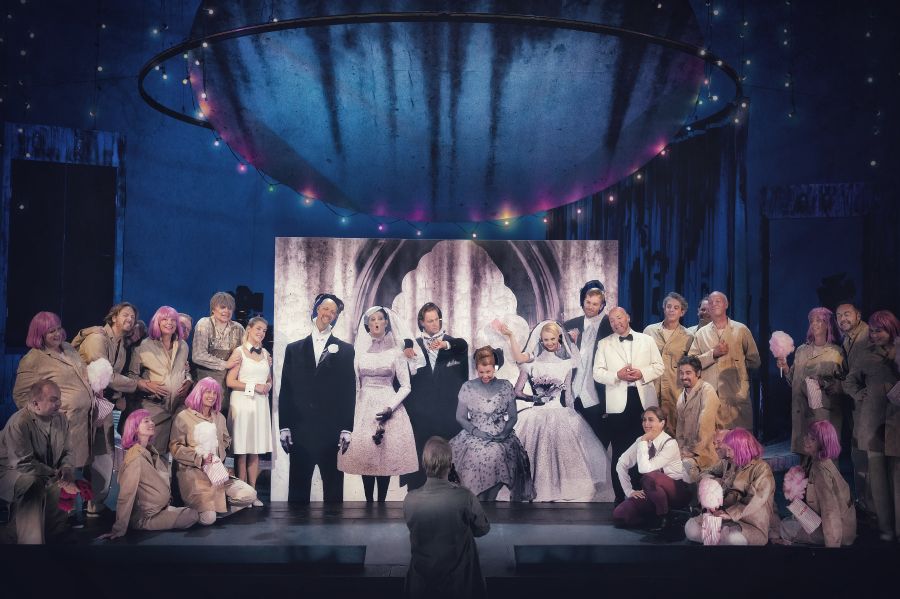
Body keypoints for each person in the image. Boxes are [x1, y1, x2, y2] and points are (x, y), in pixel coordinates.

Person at [507, 320, 614, 502]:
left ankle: (561, 489)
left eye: (552, 339)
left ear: (559, 338)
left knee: (564, 455)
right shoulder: (530, 364)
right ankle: (535, 488)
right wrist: (534, 399)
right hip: (537, 414)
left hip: (559, 412)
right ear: (540, 340)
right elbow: (517, 391)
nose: (549, 343)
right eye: (545, 339)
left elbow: (569, 395)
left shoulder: (566, 364)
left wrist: (573, 416)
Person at [279, 293, 356, 503]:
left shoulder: (346, 350)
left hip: (331, 431)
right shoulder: (293, 349)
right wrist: (284, 426)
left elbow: (348, 391)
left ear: (336, 317)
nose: (328, 314)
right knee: (297, 495)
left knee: (333, 493)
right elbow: (286, 389)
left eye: (333, 312)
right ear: (317, 310)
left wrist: (347, 428)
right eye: (325, 309)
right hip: (300, 430)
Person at [338, 306, 418, 502]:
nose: (376, 322)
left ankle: (381, 501)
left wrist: (391, 407)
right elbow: (355, 384)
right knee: (366, 452)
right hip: (364, 405)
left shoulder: (396, 353)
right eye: (372, 319)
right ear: (367, 325)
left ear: (386, 322)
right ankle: (368, 501)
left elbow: (406, 386)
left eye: (380, 318)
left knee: (384, 453)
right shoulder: (359, 353)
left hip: (388, 405)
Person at [70, 301, 139, 514]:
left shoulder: (121, 345)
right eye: (125, 315)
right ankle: (68, 509)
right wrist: (136, 385)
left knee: (103, 455)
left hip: (102, 405)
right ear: (114, 317)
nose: (129, 319)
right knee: (77, 456)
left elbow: (111, 379)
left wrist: (119, 395)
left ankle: (95, 504)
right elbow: (104, 374)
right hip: (84, 406)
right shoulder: (98, 338)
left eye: (133, 317)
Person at [403, 436, 490, 599]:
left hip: (420, 585)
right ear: (450, 464)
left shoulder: (410, 499)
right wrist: (461, 489)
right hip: (459, 585)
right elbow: (482, 529)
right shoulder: (464, 496)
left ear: (424, 463)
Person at [593, 307, 665, 503]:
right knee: (620, 450)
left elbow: (659, 367)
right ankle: (621, 497)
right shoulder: (604, 344)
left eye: (619, 318)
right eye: (612, 321)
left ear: (628, 318)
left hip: (644, 403)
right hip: (618, 404)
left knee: (646, 449)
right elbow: (597, 373)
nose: (616, 323)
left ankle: (647, 495)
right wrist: (617, 375)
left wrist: (642, 373)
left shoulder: (646, 340)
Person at [448, 346, 534, 502]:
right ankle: (478, 501)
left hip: (502, 435)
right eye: (481, 372)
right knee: (476, 455)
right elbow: (460, 417)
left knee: (497, 454)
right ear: (476, 368)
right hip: (474, 434)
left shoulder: (506, 386)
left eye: (488, 372)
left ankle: (489, 500)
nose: (485, 376)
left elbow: (513, 416)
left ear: (495, 368)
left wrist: (504, 433)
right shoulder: (467, 387)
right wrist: (477, 432)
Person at [98, 409, 199, 539]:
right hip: (145, 517)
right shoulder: (135, 458)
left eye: (151, 420)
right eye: (146, 421)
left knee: (194, 513)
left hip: (160, 509)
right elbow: (126, 494)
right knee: (192, 516)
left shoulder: (150, 451)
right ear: (135, 428)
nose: (152, 423)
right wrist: (119, 528)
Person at [844, 309, 900, 541]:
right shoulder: (865, 354)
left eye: (880, 331)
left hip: (896, 423)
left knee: (897, 477)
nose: (875, 335)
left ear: (891, 329)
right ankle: (886, 529)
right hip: (872, 423)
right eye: (873, 331)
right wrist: (860, 395)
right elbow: (849, 382)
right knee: (877, 479)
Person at [13, 312, 94, 472]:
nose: (58, 333)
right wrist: (46, 416)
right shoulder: (33, 359)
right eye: (51, 331)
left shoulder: (68, 348)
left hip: (83, 424)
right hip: (60, 429)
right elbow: (21, 396)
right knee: (60, 477)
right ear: (40, 334)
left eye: (59, 328)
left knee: (77, 475)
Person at [170, 378, 257, 524]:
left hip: (218, 474)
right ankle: (203, 509)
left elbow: (226, 441)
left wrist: (225, 464)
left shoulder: (219, 417)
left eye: (215, 393)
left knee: (249, 495)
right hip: (195, 476)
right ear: (199, 393)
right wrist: (199, 458)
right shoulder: (183, 417)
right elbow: (175, 447)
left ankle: (216, 509)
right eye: (207, 392)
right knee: (207, 519)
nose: (211, 396)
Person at [401, 302, 468, 490]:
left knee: (447, 463)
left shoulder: (453, 344)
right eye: (430, 321)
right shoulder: (412, 346)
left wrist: (446, 345)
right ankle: (416, 497)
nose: (435, 324)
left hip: (447, 415)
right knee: (419, 463)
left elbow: (463, 346)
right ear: (422, 322)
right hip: (420, 416)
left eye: (437, 319)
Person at [0, 380, 73, 544]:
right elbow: (23, 464)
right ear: (35, 404)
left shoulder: (61, 419)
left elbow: (68, 450)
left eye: (59, 399)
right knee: (31, 483)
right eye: (53, 400)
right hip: (9, 471)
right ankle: (31, 545)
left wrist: (66, 468)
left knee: (60, 482)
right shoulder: (19, 423)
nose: (59, 404)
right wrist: (54, 473)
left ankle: (54, 535)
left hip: (42, 470)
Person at [684, 428, 775, 546]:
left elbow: (756, 499)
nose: (726, 454)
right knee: (691, 528)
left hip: (749, 524)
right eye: (726, 449)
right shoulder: (728, 462)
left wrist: (730, 514)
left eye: (729, 449)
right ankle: (717, 537)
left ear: (741, 448)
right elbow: (705, 473)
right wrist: (713, 484)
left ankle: (717, 539)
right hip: (723, 518)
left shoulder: (761, 469)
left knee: (731, 539)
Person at [688, 291, 761, 431]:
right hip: (711, 395)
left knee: (739, 438)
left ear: (726, 304)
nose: (714, 304)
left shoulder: (741, 330)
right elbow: (692, 363)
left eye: (718, 301)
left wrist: (738, 368)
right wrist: (713, 354)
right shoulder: (701, 334)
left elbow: (754, 361)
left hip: (736, 396)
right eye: (711, 302)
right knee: (712, 438)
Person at [776, 307, 845, 454]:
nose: (814, 324)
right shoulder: (801, 350)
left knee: (825, 457)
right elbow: (793, 381)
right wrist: (785, 367)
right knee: (805, 458)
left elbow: (843, 384)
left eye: (819, 320)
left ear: (828, 324)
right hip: (801, 415)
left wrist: (823, 383)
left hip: (823, 416)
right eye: (812, 321)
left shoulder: (836, 352)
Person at [779, 420, 856, 547]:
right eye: (807, 435)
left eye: (813, 439)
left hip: (837, 533)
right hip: (829, 525)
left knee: (783, 527)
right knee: (788, 522)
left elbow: (830, 512)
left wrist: (832, 548)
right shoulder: (816, 460)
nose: (806, 440)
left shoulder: (821, 471)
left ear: (823, 443)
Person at [127, 306, 193, 454]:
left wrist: (188, 381)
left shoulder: (183, 346)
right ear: (157, 322)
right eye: (164, 319)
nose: (169, 323)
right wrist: (146, 384)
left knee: (168, 456)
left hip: (176, 408)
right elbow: (131, 376)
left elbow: (186, 370)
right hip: (154, 408)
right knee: (149, 453)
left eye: (173, 320)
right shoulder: (143, 346)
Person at [612, 407, 689, 531]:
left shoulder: (670, 443)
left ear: (662, 423)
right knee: (620, 515)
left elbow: (645, 470)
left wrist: (643, 442)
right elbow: (621, 463)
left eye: (651, 420)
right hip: (653, 492)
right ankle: (655, 517)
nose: (646, 423)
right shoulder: (641, 440)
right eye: (644, 420)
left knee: (649, 477)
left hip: (676, 492)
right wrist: (629, 491)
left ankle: (664, 518)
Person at [225, 316, 273, 501]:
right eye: (258, 329)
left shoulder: (266, 353)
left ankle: (253, 494)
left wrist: (268, 385)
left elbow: (268, 379)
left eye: (264, 330)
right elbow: (230, 381)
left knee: (255, 449)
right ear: (249, 329)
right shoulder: (239, 352)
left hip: (260, 404)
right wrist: (255, 387)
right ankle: (242, 494)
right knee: (242, 450)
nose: (261, 333)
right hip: (242, 403)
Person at [563, 280, 613, 445]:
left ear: (602, 305)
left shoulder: (611, 325)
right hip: (572, 396)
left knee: (599, 444)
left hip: (598, 398)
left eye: (595, 304)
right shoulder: (569, 325)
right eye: (588, 302)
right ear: (583, 301)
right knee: (572, 445)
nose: (590, 307)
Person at [643, 292, 694, 434]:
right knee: (651, 424)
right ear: (664, 308)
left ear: (682, 312)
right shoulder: (650, 331)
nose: (672, 310)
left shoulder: (688, 336)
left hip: (675, 387)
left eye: (676, 308)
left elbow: (692, 365)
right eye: (669, 306)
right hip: (652, 385)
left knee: (674, 426)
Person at [192, 292, 244, 416]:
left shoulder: (238, 328)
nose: (226, 311)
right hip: (206, 385)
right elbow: (198, 355)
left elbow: (247, 350)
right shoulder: (204, 323)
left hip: (228, 386)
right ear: (213, 309)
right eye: (222, 307)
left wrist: (263, 356)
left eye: (229, 308)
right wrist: (226, 364)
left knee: (225, 419)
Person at [675, 356, 721, 482]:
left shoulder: (707, 390)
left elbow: (706, 426)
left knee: (687, 467)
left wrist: (693, 451)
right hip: (687, 452)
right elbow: (679, 431)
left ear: (698, 373)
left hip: (706, 452)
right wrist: (681, 450)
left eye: (688, 373)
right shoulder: (681, 398)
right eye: (681, 373)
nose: (684, 376)